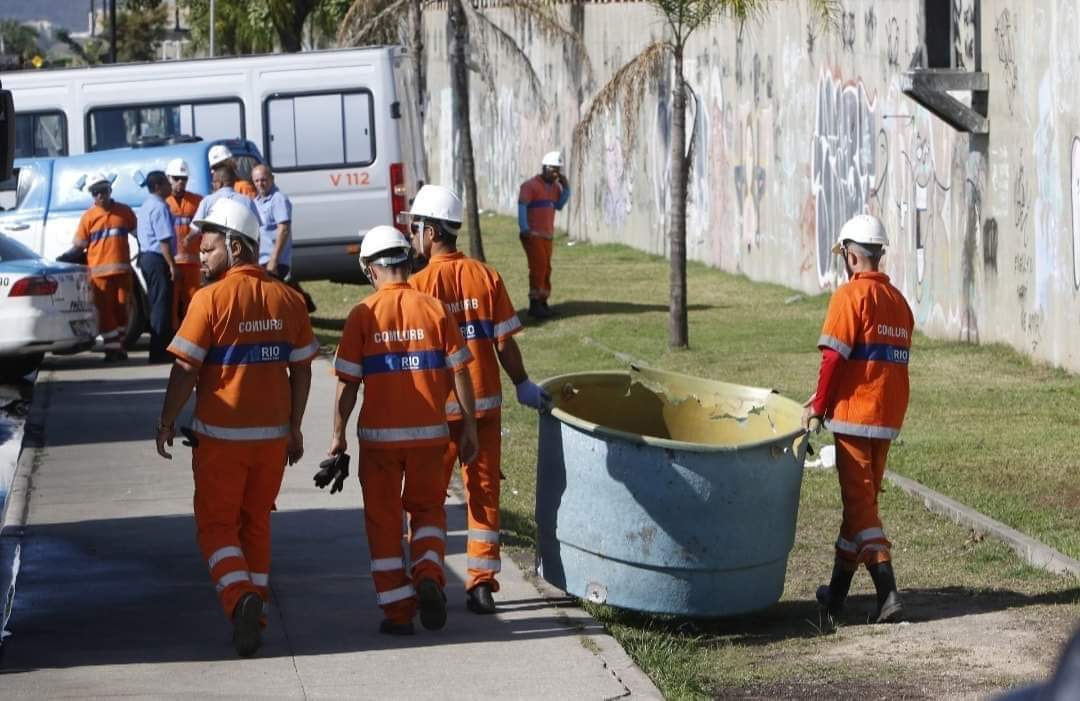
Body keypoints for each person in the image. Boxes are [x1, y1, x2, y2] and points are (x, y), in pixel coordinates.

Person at [154, 197, 318, 658]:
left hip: (221, 441)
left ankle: (239, 595)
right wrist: (294, 427)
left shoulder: (209, 299)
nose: (201, 257)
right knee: (256, 525)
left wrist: (167, 420)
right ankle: (254, 614)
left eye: (208, 249)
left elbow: (186, 369)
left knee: (216, 526)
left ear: (236, 247)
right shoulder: (289, 299)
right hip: (272, 441)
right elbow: (302, 370)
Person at [406, 184, 550, 614]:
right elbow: (504, 342)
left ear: (432, 232)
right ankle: (482, 584)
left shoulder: (417, 286)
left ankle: (428, 574)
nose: (413, 236)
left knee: (428, 498)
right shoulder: (486, 277)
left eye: (416, 228)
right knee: (483, 494)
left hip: (435, 413)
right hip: (484, 405)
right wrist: (522, 382)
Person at [329, 225, 478, 636]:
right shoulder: (435, 309)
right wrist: (468, 426)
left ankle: (398, 612)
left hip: (379, 442)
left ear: (370, 269)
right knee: (427, 511)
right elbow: (461, 372)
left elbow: (347, 384)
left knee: (384, 521)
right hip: (430, 437)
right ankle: (428, 572)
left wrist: (338, 435)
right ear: (407, 263)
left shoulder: (362, 314)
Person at [803, 213, 913, 625]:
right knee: (861, 505)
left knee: (861, 506)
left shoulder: (849, 297)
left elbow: (833, 359)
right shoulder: (899, 302)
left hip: (854, 416)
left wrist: (818, 406)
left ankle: (888, 592)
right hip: (886, 416)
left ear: (851, 257)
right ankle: (836, 595)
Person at [73, 173, 137, 362]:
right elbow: (78, 244)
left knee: (122, 311)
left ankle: (117, 346)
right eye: (95, 192)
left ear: (109, 190)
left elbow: (139, 234)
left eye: (102, 190)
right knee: (106, 313)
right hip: (99, 276)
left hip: (122, 272)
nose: (100, 195)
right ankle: (113, 350)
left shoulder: (125, 212)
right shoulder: (88, 217)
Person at [518, 150, 571, 319]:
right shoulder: (529, 186)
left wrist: (566, 188)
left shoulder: (555, 187)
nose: (556, 174)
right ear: (545, 168)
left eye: (558, 170)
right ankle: (534, 305)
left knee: (546, 269)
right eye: (553, 169)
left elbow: (559, 205)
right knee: (538, 268)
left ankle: (543, 302)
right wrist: (524, 228)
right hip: (533, 234)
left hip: (547, 235)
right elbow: (522, 206)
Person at [136, 171, 177, 364]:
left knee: (156, 303)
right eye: (168, 183)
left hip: (147, 258)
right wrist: (172, 265)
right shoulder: (159, 207)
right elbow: (164, 240)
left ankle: (158, 349)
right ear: (158, 186)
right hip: (157, 258)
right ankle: (160, 351)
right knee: (161, 304)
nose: (171, 186)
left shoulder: (146, 205)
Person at [165, 158, 204, 327]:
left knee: (194, 300)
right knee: (171, 303)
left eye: (184, 178)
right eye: (176, 178)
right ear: (168, 178)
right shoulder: (163, 203)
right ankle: (175, 336)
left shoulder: (197, 201)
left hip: (192, 262)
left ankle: (194, 332)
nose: (180, 182)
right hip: (171, 263)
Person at [188, 163, 262, 250]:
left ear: (219, 183)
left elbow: (195, 230)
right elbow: (257, 226)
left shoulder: (208, 201)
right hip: (240, 249)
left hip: (215, 251)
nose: (212, 185)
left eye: (214, 182)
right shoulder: (247, 201)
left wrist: (186, 240)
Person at [251, 165, 293, 279]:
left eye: (263, 180)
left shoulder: (278, 199)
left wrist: (273, 260)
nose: (260, 184)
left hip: (274, 263)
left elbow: (284, 230)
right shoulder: (256, 202)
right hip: (261, 261)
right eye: (256, 181)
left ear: (272, 178)